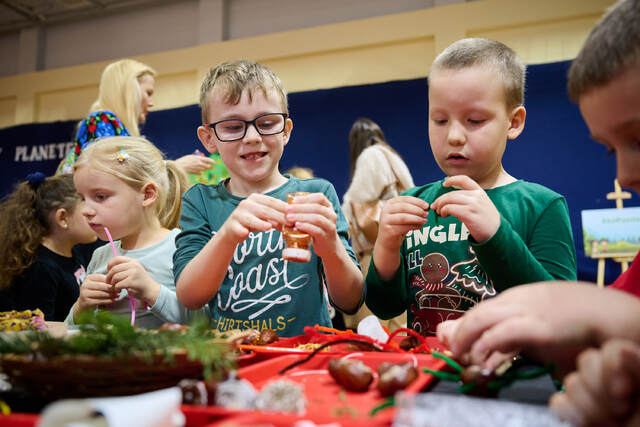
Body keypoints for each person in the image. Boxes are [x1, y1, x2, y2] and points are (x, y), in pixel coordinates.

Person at [439, 1, 640, 424]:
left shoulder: (541, 204)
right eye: (610, 148)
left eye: (639, 140)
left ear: (513, 122)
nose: (624, 175)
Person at [365, 38, 577, 336]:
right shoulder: (414, 201)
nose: (453, 136)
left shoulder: (542, 205)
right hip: (429, 374)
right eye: (439, 120)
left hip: (513, 376)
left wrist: (495, 234)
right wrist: (386, 246)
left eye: (474, 120)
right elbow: (385, 306)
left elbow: (561, 314)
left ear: (513, 122)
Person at [174, 59, 364, 337]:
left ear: (285, 131)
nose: (252, 137)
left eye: (266, 123)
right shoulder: (200, 201)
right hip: (234, 358)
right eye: (232, 126)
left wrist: (330, 245)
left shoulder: (317, 194)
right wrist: (227, 235)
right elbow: (189, 296)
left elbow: (350, 301)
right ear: (209, 139)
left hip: (307, 354)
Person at [66, 136, 206, 328]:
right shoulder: (100, 256)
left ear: (147, 194)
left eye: (100, 196)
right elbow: (74, 332)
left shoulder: (182, 248)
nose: (86, 210)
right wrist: (81, 308)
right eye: (82, 198)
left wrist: (151, 291)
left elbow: (206, 321)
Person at [57, 58, 214, 176]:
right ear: (130, 92)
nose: (151, 103)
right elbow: (116, 174)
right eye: (148, 93)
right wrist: (175, 167)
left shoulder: (107, 126)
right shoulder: (100, 121)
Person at [341, 117, 414, 331]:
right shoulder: (391, 155)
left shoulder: (369, 156)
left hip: (376, 254)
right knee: (400, 328)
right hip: (402, 251)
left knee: (373, 330)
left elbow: (356, 198)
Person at [0, 173, 97, 321]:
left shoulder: (73, 252)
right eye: (87, 205)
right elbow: (40, 334)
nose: (94, 213)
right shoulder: (42, 269)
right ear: (62, 218)